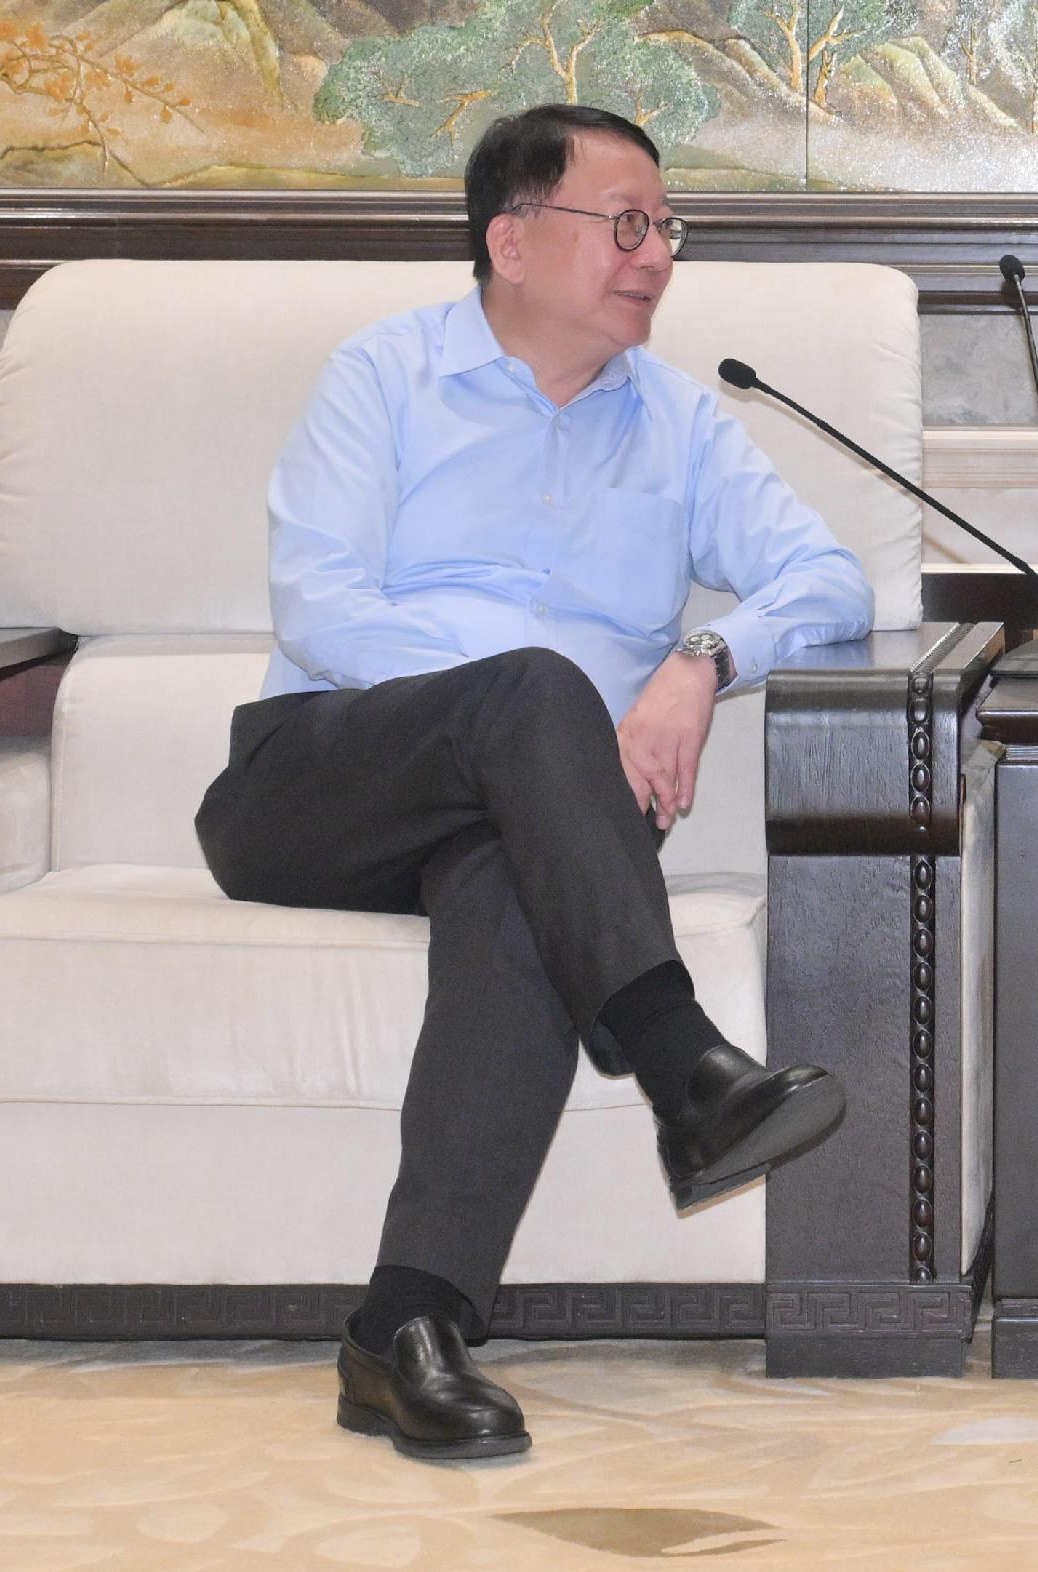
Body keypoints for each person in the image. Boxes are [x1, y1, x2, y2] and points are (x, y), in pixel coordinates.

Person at [195, 102, 874, 1463]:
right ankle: (685, 1066)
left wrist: (698, 661)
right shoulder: (384, 377)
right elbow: (319, 605)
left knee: (518, 875)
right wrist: (533, 709)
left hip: (528, 818)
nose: (657, 254)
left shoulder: (678, 422)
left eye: (668, 228)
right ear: (512, 239)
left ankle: (407, 1329)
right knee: (539, 688)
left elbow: (832, 578)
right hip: (321, 777)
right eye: (626, 224)